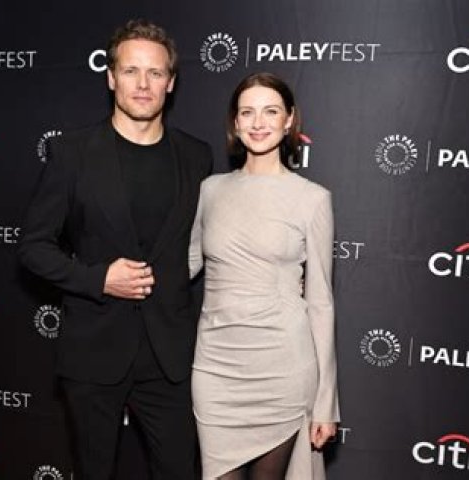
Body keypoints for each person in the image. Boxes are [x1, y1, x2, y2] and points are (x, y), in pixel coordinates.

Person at [18, 19, 212, 480]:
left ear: (171, 82)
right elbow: (33, 246)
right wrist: (98, 278)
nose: (143, 84)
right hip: (94, 351)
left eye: (155, 72)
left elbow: (206, 243)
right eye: (130, 71)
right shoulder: (73, 152)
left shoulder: (196, 156)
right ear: (110, 78)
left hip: (170, 355)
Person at [189, 72, 339, 479]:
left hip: (281, 368)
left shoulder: (312, 199)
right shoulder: (210, 190)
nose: (258, 123)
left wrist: (326, 402)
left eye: (270, 111)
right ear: (235, 123)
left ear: (289, 120)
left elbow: (321, 303)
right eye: (247, 112)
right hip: (216, 367)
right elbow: (183, 265)